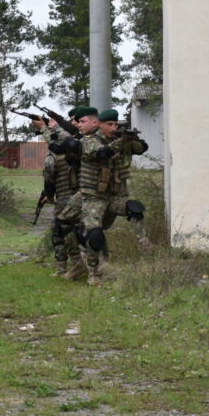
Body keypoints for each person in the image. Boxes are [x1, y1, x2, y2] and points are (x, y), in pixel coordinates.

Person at [68, 107, 150, 286]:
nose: (113, 128)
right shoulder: (90, 141)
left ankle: (145, 246)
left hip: (115, 197)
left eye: (116, 124)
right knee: (95, 235)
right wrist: (120, 142)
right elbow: (103, 153)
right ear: (100, 125)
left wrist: (131, 140)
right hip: (93, 197)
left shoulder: (119, 139)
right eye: (109, 124)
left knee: (135, 208)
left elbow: (142, 148)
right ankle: (93, 274)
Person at [34, 107, 82, 277]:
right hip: (81, 195)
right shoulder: (77, 146)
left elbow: (49, 175)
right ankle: (84, 264)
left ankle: (66, 267)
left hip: (64, 197)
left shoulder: (56, 153)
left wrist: (49, 195)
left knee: (59, 232)